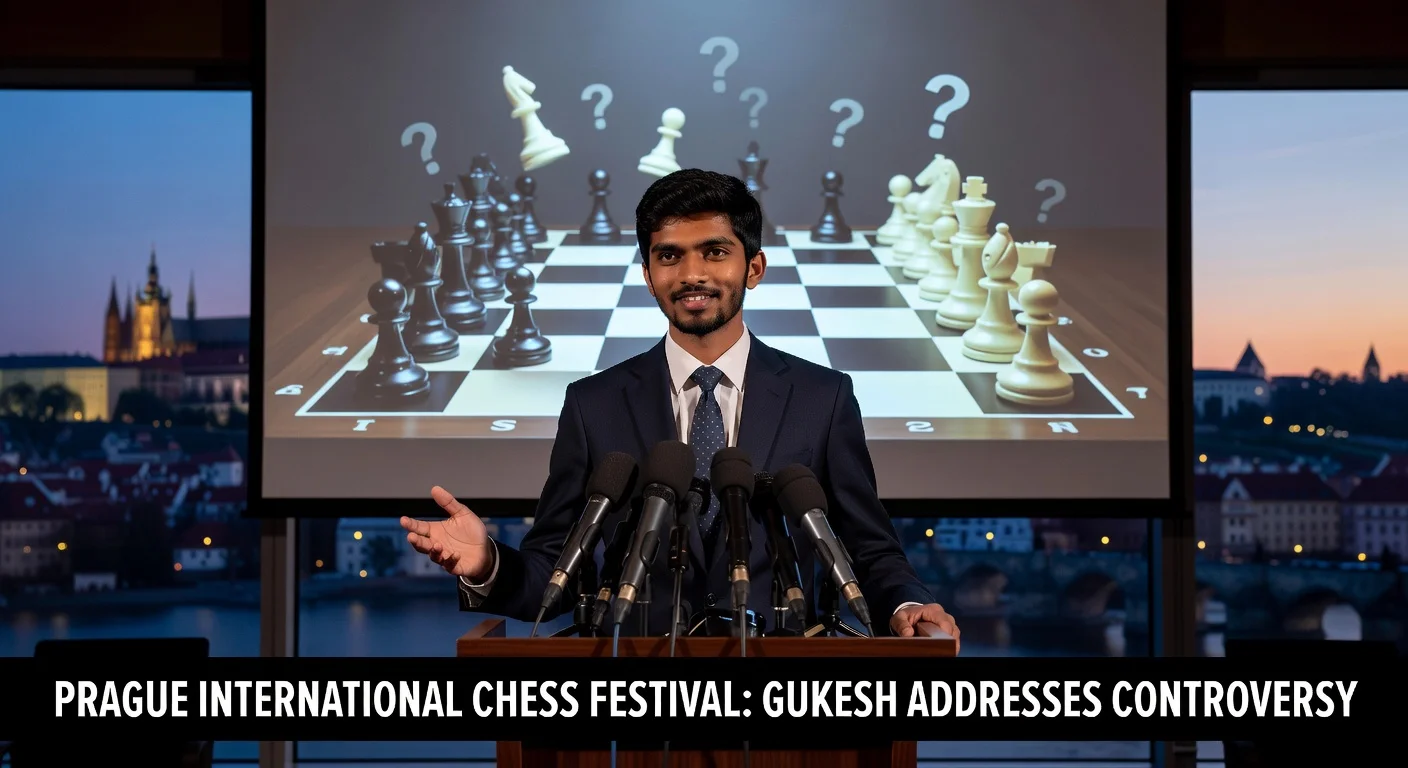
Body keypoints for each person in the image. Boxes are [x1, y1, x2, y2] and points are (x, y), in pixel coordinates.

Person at [401, 169, 959, 643]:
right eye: (670, 256)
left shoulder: (824, 396)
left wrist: (905, 604)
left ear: (754, 268)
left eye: (715, 252)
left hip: (785, 695)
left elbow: (869, 546)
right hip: (643, 699)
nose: (692, 274)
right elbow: (556, 570)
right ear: (648, 276)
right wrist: (486, 565)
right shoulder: (592, 404)